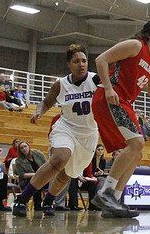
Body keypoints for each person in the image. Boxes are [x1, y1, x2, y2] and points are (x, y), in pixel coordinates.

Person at [92, 19, 150, 218]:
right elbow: (101, 59)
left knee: (137, 153)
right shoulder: (136, 46)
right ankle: (106, 192)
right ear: (149, 33)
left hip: (125, 102)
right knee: (137, 143)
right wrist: (108, 88)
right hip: (109, 97)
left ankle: (114, 200)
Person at [12, 44, 101, 218]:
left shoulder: (96, 80)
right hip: (66, 128)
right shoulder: (61, 84)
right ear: (69, 64)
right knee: (60, 158)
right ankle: (22, 199)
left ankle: (49, 200)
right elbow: (46, 102)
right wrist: (39, 111)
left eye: (84, 61)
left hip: (89, 134)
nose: (81, 64)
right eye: (76, 61)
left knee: (67, 175)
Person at [13, 141, 47, 210]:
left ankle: (49, 203)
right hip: (26, 181)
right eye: (21, 148)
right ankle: (37, 204)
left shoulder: (38, 154)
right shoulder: (18, 160)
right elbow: (22, 175)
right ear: (20, 150)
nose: (24, 149)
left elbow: (46, 165)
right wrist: (36, 175)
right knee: (35, 181)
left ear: (29, 146)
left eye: (25, 146)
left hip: (41, 178)